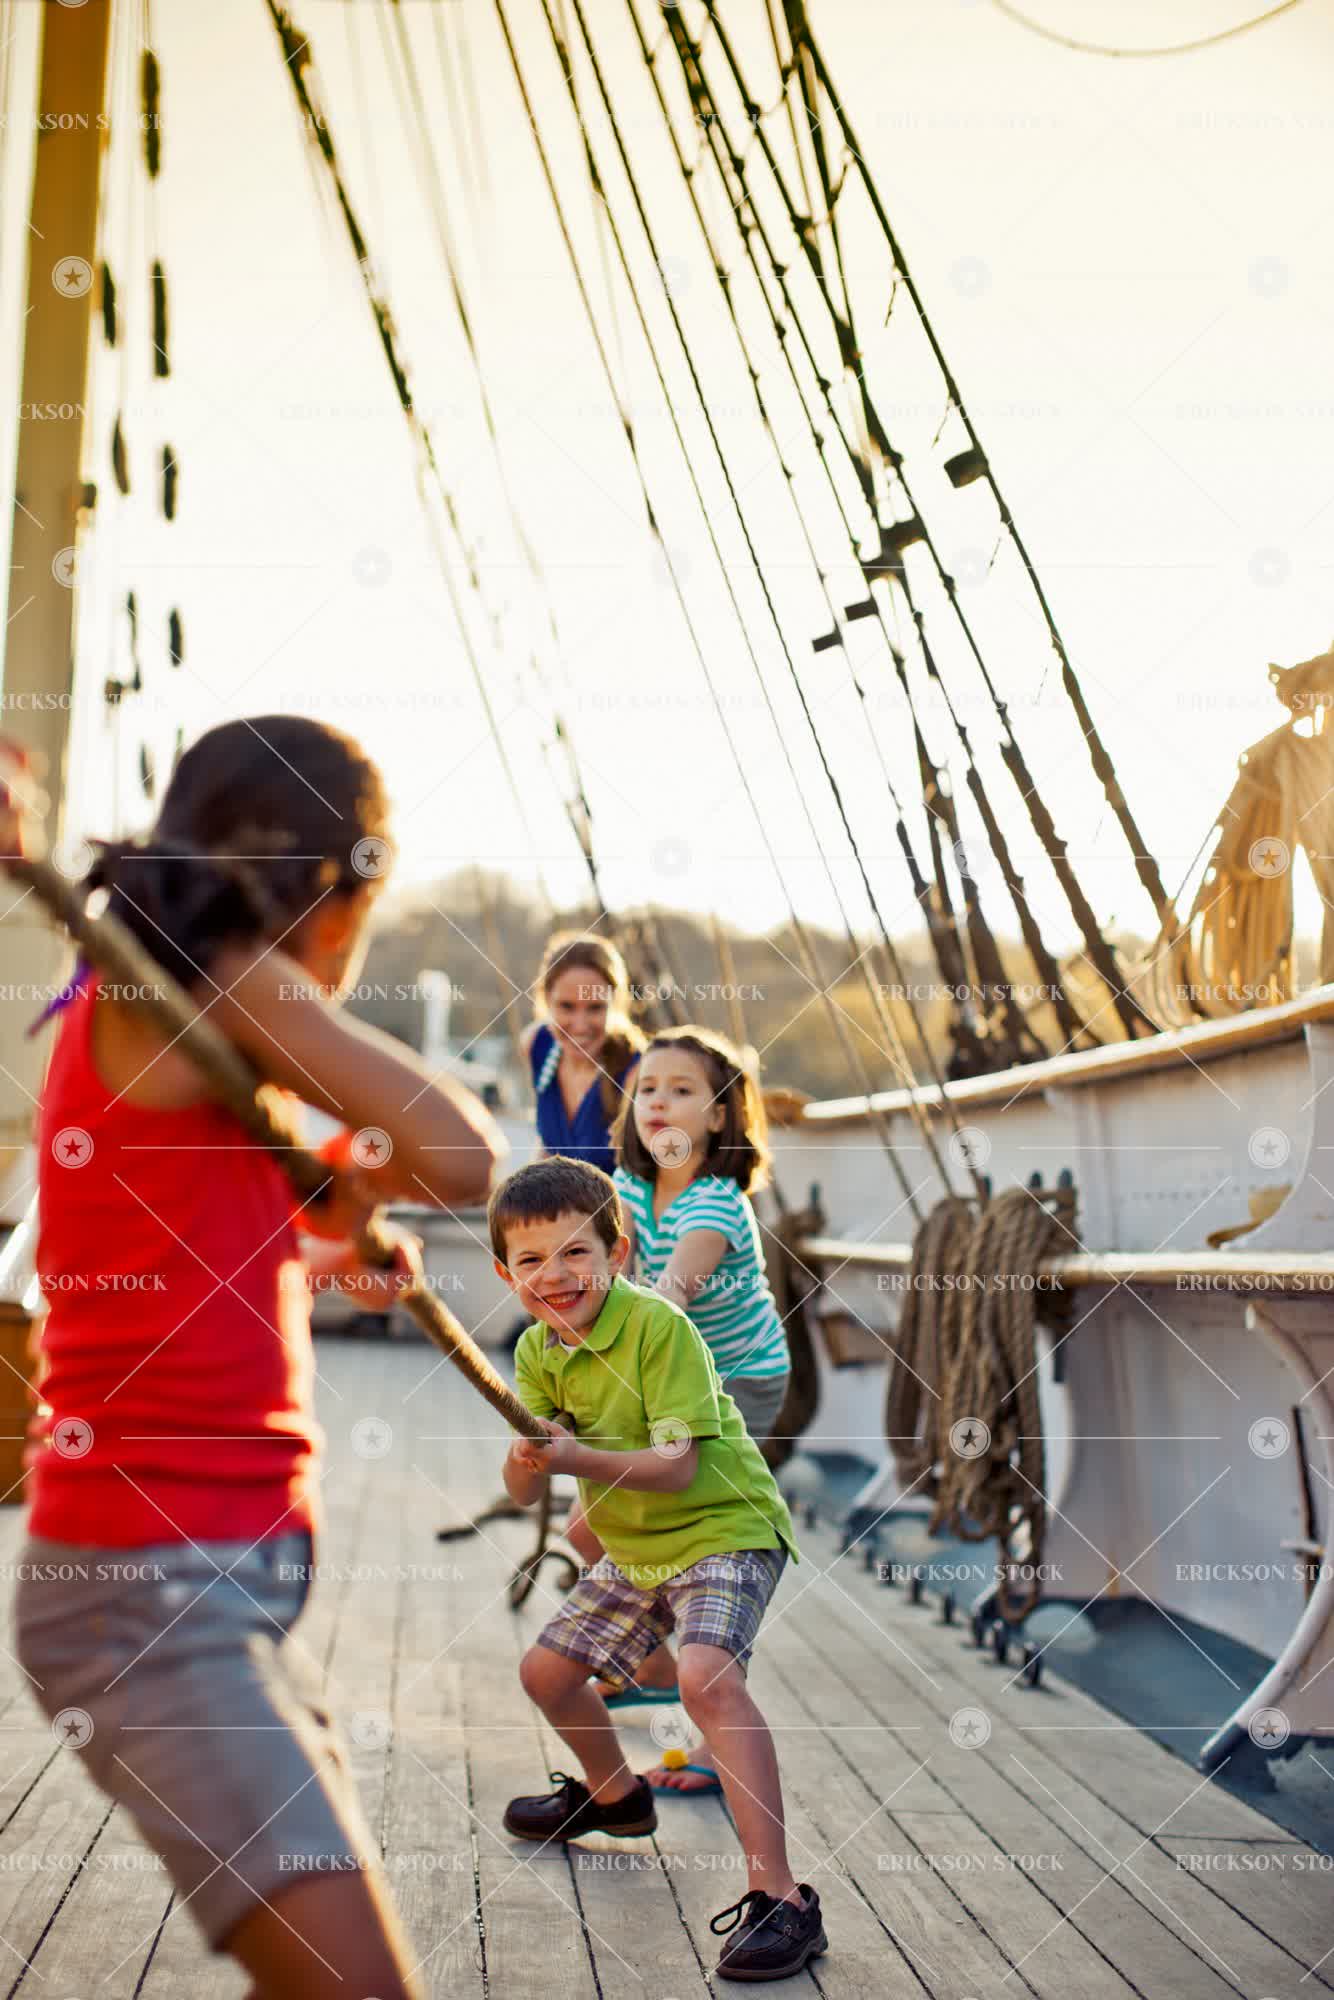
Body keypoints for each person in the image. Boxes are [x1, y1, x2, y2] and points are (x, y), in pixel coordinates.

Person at [4, 717, 507, 2000]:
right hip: (148, 1595)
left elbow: (197, 1251)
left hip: (208, 1582)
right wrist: (363, 1163)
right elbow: (464, 1157)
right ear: (331, 894)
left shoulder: (177, 1025)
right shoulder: (231, 985)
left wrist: (327, 1238)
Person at [491, 1157, 827, 1985]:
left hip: (723, 1528)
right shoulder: (536, 1351)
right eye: (531, 1260)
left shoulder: (659, 1329)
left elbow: (677, 1468)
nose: (555, 1275)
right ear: (506, 1275)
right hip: (637, 1546)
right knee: (545, 1674)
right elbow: (524, 1487)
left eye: (576, 1252)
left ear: (618, 1251)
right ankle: (616, 1797)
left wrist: (574, 1457)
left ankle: (781, 1897)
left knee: (707, 1678)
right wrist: (528, 1460)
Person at [577, 1027, 792, 1787]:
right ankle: (656, 1666)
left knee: (710, 1550)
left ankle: (713, 1724)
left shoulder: (716, 1204)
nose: (659, 1102)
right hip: (669, 1381)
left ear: (721, 1115)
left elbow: (668, 1297)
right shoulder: (630, 1190)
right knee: (588, 1526)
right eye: (648, 1088)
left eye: (682, 1090)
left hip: (739, 1385)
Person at [522, 931, 643, 1174]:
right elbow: (548, 1147)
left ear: (615, 1004)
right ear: (546, 1000)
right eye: (567, 1006)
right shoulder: (536, 1044)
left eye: (595, 1008)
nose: (580, 1025)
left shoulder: (638, 1072)